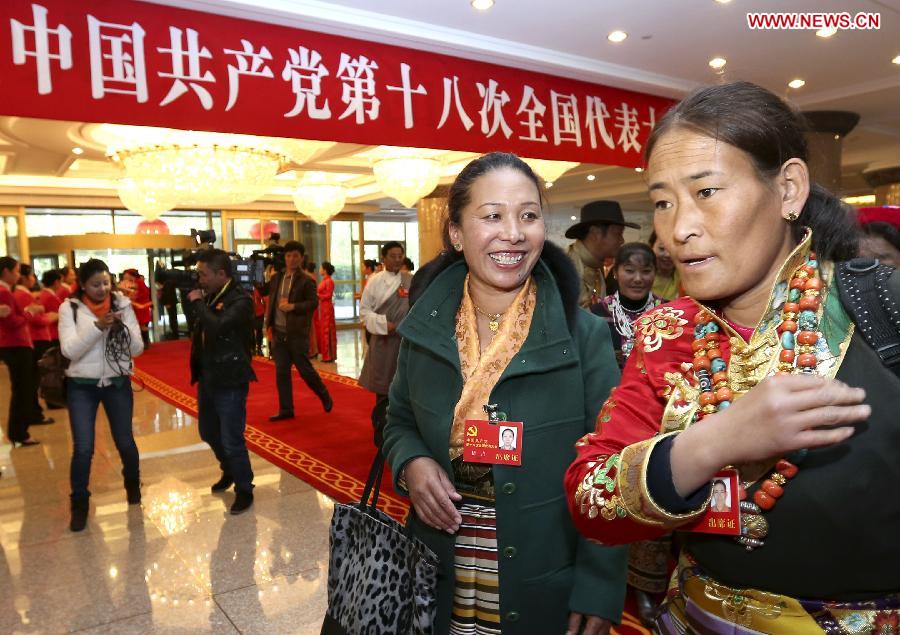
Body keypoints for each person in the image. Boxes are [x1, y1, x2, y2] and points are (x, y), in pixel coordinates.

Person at [565, 81, 896, 633]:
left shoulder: (881, 306)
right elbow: (589, 500)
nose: (678, 229)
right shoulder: (666, 332)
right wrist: (717, 440)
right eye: (663, 202)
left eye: (707, 192)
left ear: (788, 189)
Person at [382, 153, 627, 635]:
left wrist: (599, 585)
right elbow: (397, 421)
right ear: (455, 233)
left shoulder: (585, 337)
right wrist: (411, 462)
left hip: (542, 573)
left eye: (529, 215)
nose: (513, 233)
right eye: (492, 216)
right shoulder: (424, 331)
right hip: (439, 566)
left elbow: (613, 466)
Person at [58, 259, 144, 531]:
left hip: (117, 382)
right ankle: (80, 504)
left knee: (125, 442)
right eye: (95, 284)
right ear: (82, 285)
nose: (102, 289)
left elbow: (138, 348)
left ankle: (133, 485)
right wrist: (96, 327)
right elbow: (70, 351)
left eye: (106, 283)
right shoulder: (69, 309)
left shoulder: (122, 304)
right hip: (81, 385)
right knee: (83, 448)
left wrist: (122, 328)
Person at [188, 249, 257, 515]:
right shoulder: (210, 294)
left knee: (231, 437)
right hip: (208, 375)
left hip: (230, 376)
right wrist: (196, 302)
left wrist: (197, 303)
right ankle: (229, 468)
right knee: (208, 431)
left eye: (203, 274)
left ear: (221, 274)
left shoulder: (240, 299)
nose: (199, 279)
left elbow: (217, 327)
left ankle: (244, 488)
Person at [263, 241, 332, 421]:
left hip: (297, 333)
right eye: (288, 256)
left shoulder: (306, 280)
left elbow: (313, 303)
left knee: (305, 370)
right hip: (279, 332)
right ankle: (286, 409)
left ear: (301, 258)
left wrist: (293, 306)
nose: (291, 259)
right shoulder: (277, 277)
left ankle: (324, 394)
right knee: (281, 373)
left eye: (295, 256)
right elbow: (268, 297)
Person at [358, 241, 410, 447]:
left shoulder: (410, 280)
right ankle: (380, 429)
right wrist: (383, 324)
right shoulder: (375, 281)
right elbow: (364, 312)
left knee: (403, 388)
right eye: (393, 256)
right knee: (383, 388)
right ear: (384, 258)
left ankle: (402, 430)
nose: (397, 259)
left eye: (400, 255)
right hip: (383, 341)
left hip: (404, 342)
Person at [594, 243, 665, 367]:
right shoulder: (596, 314)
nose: (638, 278)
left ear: (655, 273)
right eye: (629, 271)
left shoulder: (668, 312)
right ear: (615, 272)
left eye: (646, 271)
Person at [0, 257, 44, 446]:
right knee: (22, 390)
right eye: (16, 271)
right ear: (6, 272)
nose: (18, 275)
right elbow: (13, 323)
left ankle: (18, 431)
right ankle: (19, 432)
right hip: (15, 345)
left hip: (13, 345)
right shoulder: (4, 292)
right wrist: (30, 312)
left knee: (21, 389)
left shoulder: (6, 291)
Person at [565, 200, 638, 308]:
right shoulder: (564, 266)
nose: (622, 240)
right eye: (618, 234)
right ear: (596, 233)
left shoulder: (596, 268)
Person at [18, 265, 56, 422]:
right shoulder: (23, 295)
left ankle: (35, 411)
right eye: (32, 275)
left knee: (33, 379)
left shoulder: (23, 293)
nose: (34, 279)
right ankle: (34, 413)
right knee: (35, 379)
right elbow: (35, 319)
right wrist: (52, 317)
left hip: (34, 338)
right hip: (37, 338)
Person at [120, 269, 152, 349]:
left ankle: (145, 343)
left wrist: (133, 297)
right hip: (138, 306)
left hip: (141, 306)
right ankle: (144, 343)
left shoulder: (138, 282)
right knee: (140, 325)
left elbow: (144, 293)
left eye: (126, 275)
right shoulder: (135, 282)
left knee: (141, 325)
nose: (125, 277)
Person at [314, 261, 337, 363]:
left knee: (326, 331)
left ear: (325, 270)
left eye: (321, 268)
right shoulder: (325, 280)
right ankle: (326, 355)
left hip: (327, 307)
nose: (319, 270)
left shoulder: (329, 281)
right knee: (324, 330)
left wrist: (317, 295)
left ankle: (328, 356)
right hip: (323, 307)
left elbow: (328, 295)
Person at [649, 231, 680, 299]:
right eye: (661, 249)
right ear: (651, 247)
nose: (667, 255)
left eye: (672, 250)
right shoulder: (643, 277)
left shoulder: (684, 277)